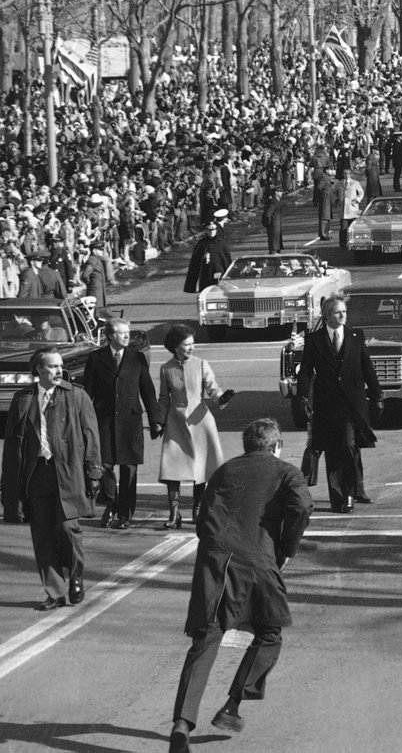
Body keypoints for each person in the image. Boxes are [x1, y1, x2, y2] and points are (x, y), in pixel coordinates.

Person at [168, 418, 313, 753]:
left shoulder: (225, 470)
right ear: (276, 445)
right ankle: (233, 703)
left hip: (215, 561)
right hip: (257, 561)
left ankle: (181, 724)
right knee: (270, 632)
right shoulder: (286, 472)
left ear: (247, 445)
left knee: (206, 639)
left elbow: (202, 517)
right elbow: (302, 506)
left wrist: (214, 547)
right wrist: (286, 548)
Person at [1, 349, 102, 610]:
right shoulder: (23, 399)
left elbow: (91, 435)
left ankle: (76, 576)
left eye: (60, 366)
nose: (58, 371)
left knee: (69, 529)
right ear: (38, 370)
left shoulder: (76, 395)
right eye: (52, 367)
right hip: (37, 476)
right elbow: (13, 445)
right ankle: (55, 592)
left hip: (68, 473)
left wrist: (94, 472)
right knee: (42, 534)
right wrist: (8, 482)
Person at [296, 294, 383, 513]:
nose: (343, 315)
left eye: (344, 311)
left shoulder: (355, 335)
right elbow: (306, 370)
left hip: (353, 404)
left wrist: (377, 394)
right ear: (327, 316)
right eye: (338, 312)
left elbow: (366, 366)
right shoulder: (314, 340)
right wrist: (303, 397)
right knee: (334, 450)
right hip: (327, 405)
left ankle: (350, 494)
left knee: (347, 446)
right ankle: (337, 499)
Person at [81, 318, 162, 530]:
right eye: (121, 333)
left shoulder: (137, 358)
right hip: (104, 421)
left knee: (129, 469)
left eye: (127, 332)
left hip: (130, 423)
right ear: (109, 336)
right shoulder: (96, 359)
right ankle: (110, 504)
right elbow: (86, 393)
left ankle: (125, 514)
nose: (126, 336)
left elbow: (148, 391)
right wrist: (82, 420)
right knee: (105, 466)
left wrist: (156, 420)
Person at [158, 324, 231, 529]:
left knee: (201, 467)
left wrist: (221, 398)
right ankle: (174, 513)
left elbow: (212, 388)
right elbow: (164, 398)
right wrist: (158, 421)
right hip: (176, 420)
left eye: (192, 343)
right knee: (172, 467)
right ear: (175, 346)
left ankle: (197, 510)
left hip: (200, 419)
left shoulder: (201, 364)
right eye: (187, 344)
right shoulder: (166, 368)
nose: (192, 347)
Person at [183, 222, 231, 294]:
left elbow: (227, 260)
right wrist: (191, 286)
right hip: (206, 273)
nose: (212, 232)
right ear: (206, 230)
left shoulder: (221, 243)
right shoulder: (202, 244)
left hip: (220, 273)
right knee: (207, 294)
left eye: (214, 229)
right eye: (210, 230)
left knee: (220, 294)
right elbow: (194, 263)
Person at [261, 188, 284, 254]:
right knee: (274, 248)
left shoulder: (277, 201)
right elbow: (268, 214)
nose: (281, 193)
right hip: (273, 228)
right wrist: (269, 224)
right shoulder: (273, 202)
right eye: (280, 191)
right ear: (276, 192)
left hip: (276, 227)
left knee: (277, 247)